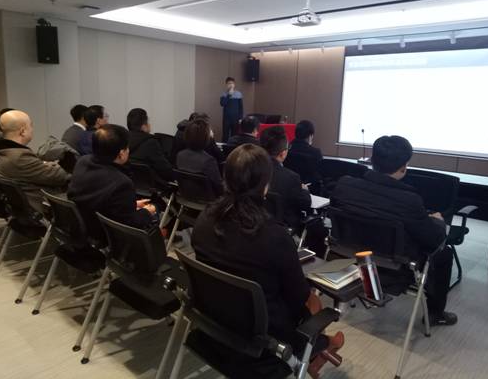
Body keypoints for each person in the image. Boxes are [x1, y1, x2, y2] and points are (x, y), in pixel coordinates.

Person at [191, 144, 344, 378]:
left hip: (213, 317)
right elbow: (298, 298)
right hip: (263, 337)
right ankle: (318, 348)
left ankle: (319, 350)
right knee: (312, 300)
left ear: (226, 177)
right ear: (265, 185)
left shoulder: (204, 218)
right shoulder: (274, 235)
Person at [331, 135, 457, 326]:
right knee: (444, 254)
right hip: (393, 270)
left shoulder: (345, 185)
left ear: (372, 160)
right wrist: (438, 223)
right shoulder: (409, 201)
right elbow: (433, 240)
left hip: (347, 260)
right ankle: (435, 314)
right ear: (404, 167)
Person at [68, 124, 157, 242]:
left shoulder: (82, 162)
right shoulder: (122, 183)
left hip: (82, 226)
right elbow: (129, 224)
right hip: (105, 235)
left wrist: (131, 204)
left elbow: (97, 198)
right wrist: (147, 212)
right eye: (127, 148)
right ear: (121, 154)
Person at [0, 110, 70, 213]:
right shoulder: (20, 157)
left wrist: (44, 164)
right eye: (31, 125)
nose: (32, 129)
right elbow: (60, 176)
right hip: (45, 207)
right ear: (22, 131)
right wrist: (54, 164)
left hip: (25, 206)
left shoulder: (3, 152)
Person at [260, 126, 311, 231]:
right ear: (283, 154)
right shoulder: (291, 177)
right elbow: (305, 204)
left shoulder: (250, 169)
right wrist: (305, 190)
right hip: (283, 229)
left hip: (256, 223)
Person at [176, 119, 223, 196]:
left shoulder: (180, 155)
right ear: (206, 138)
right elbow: (219, 188)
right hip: (208, 200)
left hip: (185, 196)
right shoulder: (209, 161)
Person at [127, 108, 174, 182]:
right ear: (143, 126)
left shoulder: (123, 139)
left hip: (131, 183)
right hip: (152, 186)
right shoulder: (151, 143)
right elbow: (165, 170)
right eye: (148, 122)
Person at [220, 77, 243, 142]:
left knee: (234, 136)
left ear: (234, 85)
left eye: (232, 83)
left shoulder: (238, 94)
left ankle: (233, 147)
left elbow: (241, 107)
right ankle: (224, 147)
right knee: (225, 135)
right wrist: (229, 95)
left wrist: (240, 118)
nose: (230, 85)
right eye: (229, 83)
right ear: (226, 85)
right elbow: (222, 104)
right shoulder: (224, 94)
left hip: (236, 119)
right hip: (226, 119)